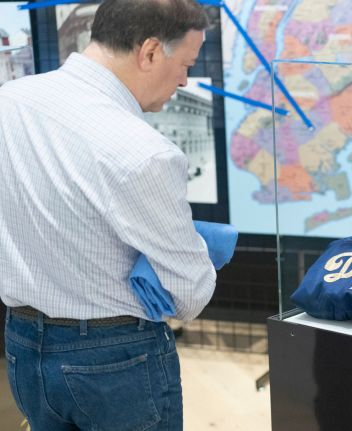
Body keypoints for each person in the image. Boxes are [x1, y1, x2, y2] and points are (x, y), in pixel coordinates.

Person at [0, 0, 215, 429]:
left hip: (21, 343)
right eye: (185, 64)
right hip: (116, 357)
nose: (184, 80)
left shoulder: (9, 102)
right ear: (151, 52)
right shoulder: (143, 152)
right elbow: (190, 295)